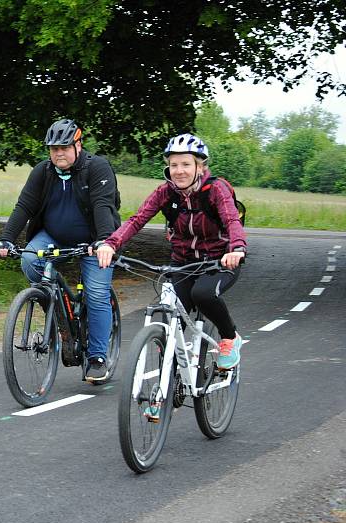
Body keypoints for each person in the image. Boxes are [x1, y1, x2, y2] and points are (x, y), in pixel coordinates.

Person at [95, 133, 247, 382]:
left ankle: (230, 337)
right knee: (170, 317)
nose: (179, 171)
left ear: (200, 166)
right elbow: (137, 220)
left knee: (203, 294)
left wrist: (237, 249)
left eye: (186, 164)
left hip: (219, 261)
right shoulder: (166, 193)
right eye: (174, 165)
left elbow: (231, 220)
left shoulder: (216, 190)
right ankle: (170, 381)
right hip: (183, 262)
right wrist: (111, 244)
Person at [0, 118, 121, 382]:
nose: (58, 153)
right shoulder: (43, 172)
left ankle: (98, 357)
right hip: (53, 235)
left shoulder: (97, 168)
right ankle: (54, 308)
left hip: (93, 240)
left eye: (64, 147)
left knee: (97, 293)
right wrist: (6, 238)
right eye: (53, 149)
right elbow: (25, 207)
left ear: (78, 145)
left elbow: (103, 206)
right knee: (29, 259)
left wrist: (104, 241)